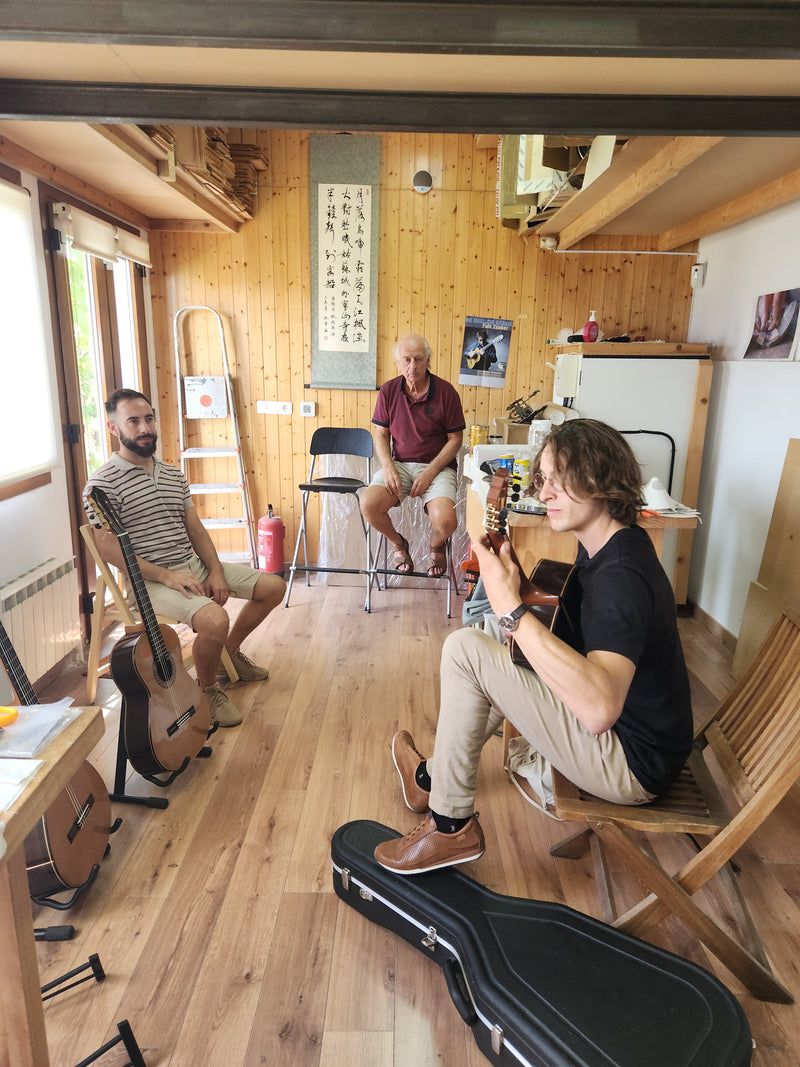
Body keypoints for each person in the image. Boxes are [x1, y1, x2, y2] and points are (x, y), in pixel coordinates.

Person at [374, 418, 693, 874]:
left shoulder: (622, 577)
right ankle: (431, 782)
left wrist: (512, 611)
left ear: (599, 480)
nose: (544, 495)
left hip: (631, 764)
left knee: (467, 649)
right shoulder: (609, 545)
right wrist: (515, 589)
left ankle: (449, 826)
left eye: (558, 482)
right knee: (492, 645)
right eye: (545, 481)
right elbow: (570, 636)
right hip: (634, 742)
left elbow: (599, 710)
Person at [83, 388, 285, 728]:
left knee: (274, 587)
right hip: (149, 581)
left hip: (192, 566)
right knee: (215, 619)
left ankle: (228, 653)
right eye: (133, 421)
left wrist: (216, 571)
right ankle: (207, 690)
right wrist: (166, 576)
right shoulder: (101, 484)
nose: (144, 427)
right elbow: (106, 548)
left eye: (148, 418)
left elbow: (196, 529)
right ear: (114, 428)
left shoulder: (172, 474)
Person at [360, 333, 465, 578]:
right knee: (368, 504)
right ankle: (398, 543)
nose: (412, 366)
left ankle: (436, 544)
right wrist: (387, 467)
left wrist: (430, 472)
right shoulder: (388, 391)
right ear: (398, 363)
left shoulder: (446, 392)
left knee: (447, 522)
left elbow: (455, 440)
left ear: (428, 361)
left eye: (418, 359)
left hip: (438, 468)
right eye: (406, 360)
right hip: (400, 466)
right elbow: (380, 435)